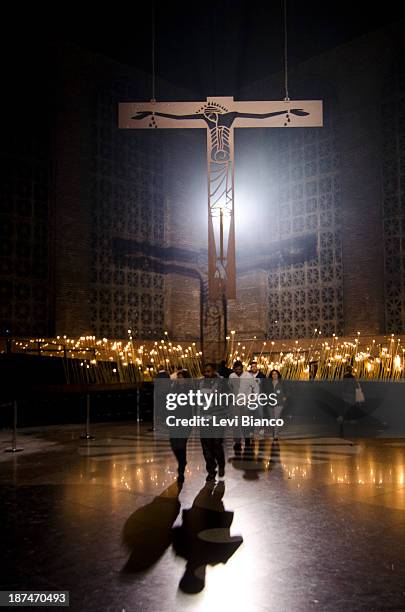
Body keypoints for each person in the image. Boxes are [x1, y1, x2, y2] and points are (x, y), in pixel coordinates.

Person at [199, 363, 227, 482]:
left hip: (217, 418)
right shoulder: (200, 383)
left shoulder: (222, 383)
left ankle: (221, 464)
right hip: (204, 419)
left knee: (216, 444)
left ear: (214, 371)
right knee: (206, 447)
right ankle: (211, 470)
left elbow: (228, 399)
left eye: (209, 371)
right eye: (205, 371)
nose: (207, 374)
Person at [169, 369, 192, 485]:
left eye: (181, 377)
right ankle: (182, 462)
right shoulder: (174, 389)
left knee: (181, 445)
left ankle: (181, 470)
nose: (179, 380)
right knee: (174, 444)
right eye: (178, 378)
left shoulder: (191, 391)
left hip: (186, 421)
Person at [229, 360, 256, 452]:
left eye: (240, 369)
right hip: (235, 403)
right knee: (236, 423)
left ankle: (247, 438)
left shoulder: (248, 376)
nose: (238, 371)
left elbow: (254, 387)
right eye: (236, 369)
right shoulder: (232, 376)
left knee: (246, 422)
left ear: (242, 368)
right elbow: (230, 387)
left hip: (246, 403)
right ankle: (237, 442)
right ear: (234, 369)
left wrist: (252, 399)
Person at [269, 369, 286, 441]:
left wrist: (285, 397)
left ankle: (275, 435)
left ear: (278, 375)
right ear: (271, 375)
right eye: (273, 374)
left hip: (279, 403)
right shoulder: (268, 383)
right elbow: (265, 391)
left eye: (275, 374)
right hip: (270, 403)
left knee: (276, 419)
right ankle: (273, 434)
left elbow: (287, 391)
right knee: (272, 420)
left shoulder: (282, 383)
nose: (274, 375)